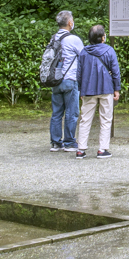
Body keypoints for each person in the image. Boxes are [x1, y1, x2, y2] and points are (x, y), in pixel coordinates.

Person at [76, 23, 121, 159]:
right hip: (106, 88)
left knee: (85, 119)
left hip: (88, 89)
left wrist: (80, 90)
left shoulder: (84, 52)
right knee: (106, 119)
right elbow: (115, 72)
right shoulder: (109, 50)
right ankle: (102, 149)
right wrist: (117, 89)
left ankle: (81, 149)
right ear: (102, 37)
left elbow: (79, 74)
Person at [46, 11, 85, 153]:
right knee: (71, 112)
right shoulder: (73, 39)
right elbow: (84, 56)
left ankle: (56, 143)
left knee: (56, 113)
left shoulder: (53, 38)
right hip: (70, 79)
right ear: (70, 23)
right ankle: (69, 142)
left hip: (55, 80)